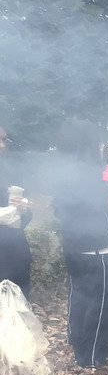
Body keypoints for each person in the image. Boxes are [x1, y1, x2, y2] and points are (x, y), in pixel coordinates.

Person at [50, 120, 108, 368]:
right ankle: (90, 355)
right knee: (98, 302)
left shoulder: (63, 172)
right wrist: (106, 188)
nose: (102, 147)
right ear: (89, 145)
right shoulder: (92, 176)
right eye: (99, 142)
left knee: (79, 297)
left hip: (74, 246)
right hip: (98, 248)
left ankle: (77, 341)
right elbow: (99, 210)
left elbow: (60, 210)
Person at [0, 126, 32, 297]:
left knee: (20, 312)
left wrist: (23, 209)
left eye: (4, 140)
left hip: (15, 255)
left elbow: (24, 219)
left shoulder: (10, 170)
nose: (2, 146)